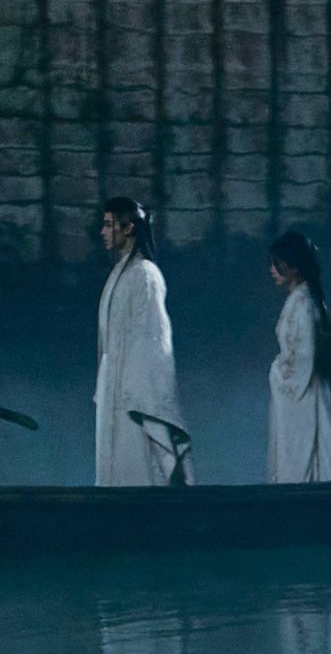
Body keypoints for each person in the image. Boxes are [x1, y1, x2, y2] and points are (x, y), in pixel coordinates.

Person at [95, 197, 194, 486]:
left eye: (109, 225)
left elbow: (153, 341)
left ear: (128, 228)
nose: (103, 232)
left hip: (134, 395)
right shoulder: (120, 273)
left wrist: (143, 399)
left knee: (137, 470)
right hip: (114, 389)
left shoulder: (146, 275)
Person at [266, 230, 331, 484]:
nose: (272, 270)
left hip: (309, 390)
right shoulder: (301, 300)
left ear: (293, 267)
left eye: (278, 264)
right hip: (308, 388)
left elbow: (305, 355)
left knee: (320, 447)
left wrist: (277, 371)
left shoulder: (304, 304)